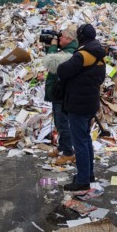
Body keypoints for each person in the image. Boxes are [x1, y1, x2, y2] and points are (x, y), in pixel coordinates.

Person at [57, 23, 106, 191]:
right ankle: (88, 174)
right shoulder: (99, 54)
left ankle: (83, 180)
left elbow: (63, 70)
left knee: (79, 142)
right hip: (91, 102)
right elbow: (100, 78)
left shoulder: (82, 55)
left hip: (78, 104)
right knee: (85, 139)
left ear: (81, 37)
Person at [43, 25, 78, 165]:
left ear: (69, 39)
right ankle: (62, 147)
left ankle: (69, 153)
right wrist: (49, 46)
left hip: (61, 94)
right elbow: (51, 57)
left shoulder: (70, 53)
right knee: (59, 122)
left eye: (61, 36)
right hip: (58, 93)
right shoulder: (65, 50)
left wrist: (52, 47)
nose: (58, 38)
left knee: (63, 124)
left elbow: (51, 63)